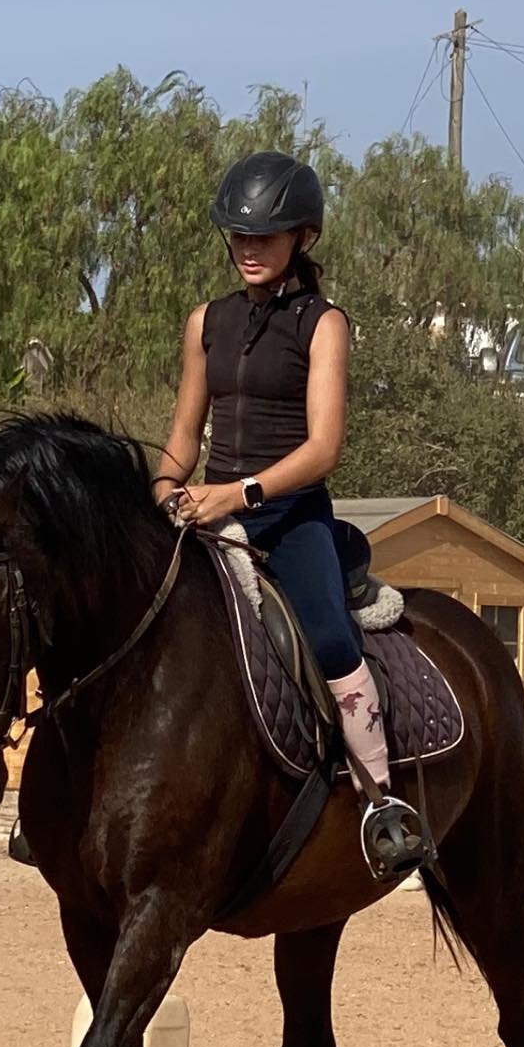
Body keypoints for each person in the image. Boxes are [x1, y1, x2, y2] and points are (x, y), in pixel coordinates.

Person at [154, 150, 426, 882]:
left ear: (303, 237)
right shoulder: (204, 322)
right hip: (207, 513)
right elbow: (184, 433)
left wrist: (238, 494)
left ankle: (381, 805)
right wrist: (164, 485)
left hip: (291, 518)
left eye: (265, 237)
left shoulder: (323, 323)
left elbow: (323, 448)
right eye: (239, 236)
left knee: (333, 640)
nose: (249, 249)